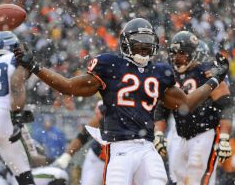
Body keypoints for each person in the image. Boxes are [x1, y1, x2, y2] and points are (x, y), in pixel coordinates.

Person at [13, 18, 229, 185]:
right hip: (119, 148)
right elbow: (69, 86)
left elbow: (186, 103)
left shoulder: (159, 71)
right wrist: (36, 68)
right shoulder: (110, 65)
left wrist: (214, 79)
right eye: (138, 46)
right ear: (126, 44)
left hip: (147, 148)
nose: (143, 51)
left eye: (147, 46)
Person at [154, 33, 232, 185]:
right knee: (177, 178)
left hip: (205, 133)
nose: (177, 57)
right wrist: (158, 133)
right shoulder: (170, 74)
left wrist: (224, 137)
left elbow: (226, 105)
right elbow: (161, 107)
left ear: (193, 54)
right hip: (179, 134)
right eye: (174, 53)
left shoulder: (207, 71)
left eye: (182, 53)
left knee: (198, 178)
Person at [0, 31, 35, 185]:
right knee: (23, 174)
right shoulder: (14, 59)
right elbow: (16, 83)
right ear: (15, 47)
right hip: (0, 116)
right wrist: (17, 116)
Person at [53, 100, 105, 185]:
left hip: (121, 159)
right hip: (98, 157)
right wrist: (67, 155)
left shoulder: (130, 109)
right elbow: (84, 135)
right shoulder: (107, 108)